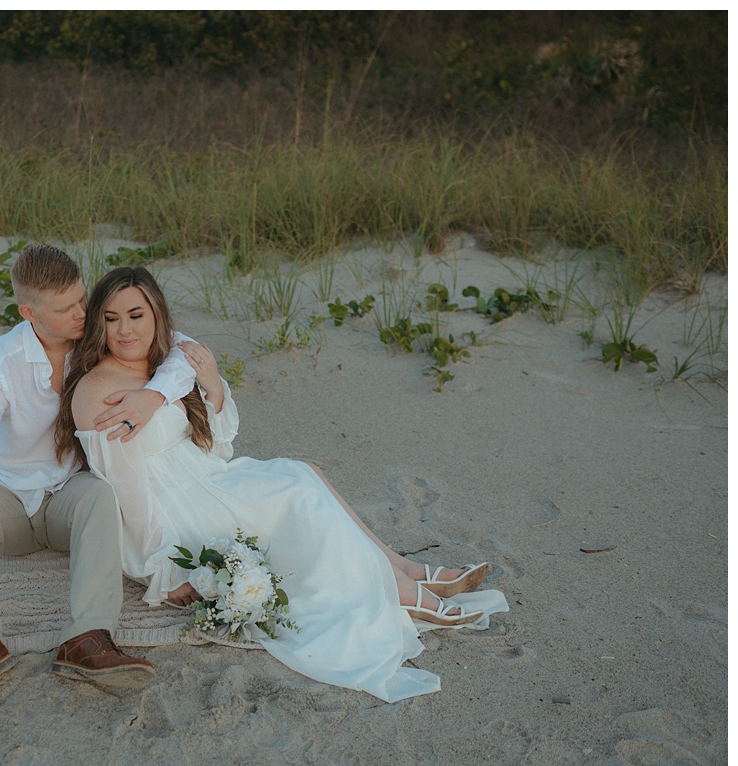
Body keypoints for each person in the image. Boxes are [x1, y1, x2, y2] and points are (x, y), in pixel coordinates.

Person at [54, 266, 508, 702]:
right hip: (167, 509)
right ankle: (401, 585)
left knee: (304, 473)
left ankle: (399, 570)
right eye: (111, 319)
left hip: (204, 477)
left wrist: (210, 382)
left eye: (136, 316)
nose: (124, 331)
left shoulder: (170, 361)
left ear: (156, 316)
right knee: (296, 490)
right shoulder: (98, 391)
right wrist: (163, 568)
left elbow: (218, 441)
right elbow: (125, 490)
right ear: (98, 324)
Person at [0, 246, 199, 712]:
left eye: (82, 299)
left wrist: (154, 396)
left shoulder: (95, 336)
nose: (81, 314)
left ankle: (87, 639)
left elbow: (179, 346)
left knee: (101, 496)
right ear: (29, 312)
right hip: (9, 497)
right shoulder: (0, 362)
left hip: (66, 494)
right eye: (65, 308)